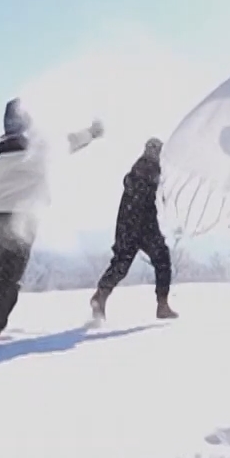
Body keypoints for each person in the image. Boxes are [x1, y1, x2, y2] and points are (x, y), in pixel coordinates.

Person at [0, 98, 104, 340]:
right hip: (23, 217)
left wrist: (2, 197)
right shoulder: (40, 145)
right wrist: (93, 132)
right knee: (10, 274)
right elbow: (70, 142)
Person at [90, 138, 177, 322]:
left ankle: (101, 295)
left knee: (121, 264)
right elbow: (148, 193)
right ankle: (162, 304)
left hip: (127, 224)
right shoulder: (148, 167)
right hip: (142, 224)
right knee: (161, 258)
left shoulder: (140, 167)